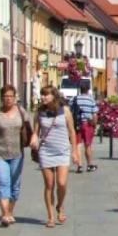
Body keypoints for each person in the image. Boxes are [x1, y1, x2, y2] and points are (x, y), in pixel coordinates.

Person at [0, 84, 36, 227]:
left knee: (15, 186)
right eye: (5, 96)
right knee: (3, 183)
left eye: (11, 96)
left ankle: (10, 211)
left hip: (17, 154)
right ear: (1, 98)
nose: (8, 99)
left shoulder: (21, 112)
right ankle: (4, 214)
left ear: (15, 97)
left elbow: (30, 129)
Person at [34, 85, 80, 227]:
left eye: (46, 95)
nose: (43, 97)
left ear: (53, 96)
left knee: (61, 183)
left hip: (63, 150)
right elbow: (36, 131)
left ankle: (60, 205)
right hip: (46, 151)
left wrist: (75, 152)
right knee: (49, 184)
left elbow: (72, 131)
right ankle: (51, 216)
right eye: (42, 95)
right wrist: (34, 138)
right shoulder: (39, 112)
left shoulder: (65, 111)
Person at [71, 80, 99, 173]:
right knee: (88, 145)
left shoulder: (74, 99)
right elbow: (95, 114)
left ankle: (79, 166)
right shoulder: (91, 99)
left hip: (77, 124)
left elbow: (70, 111)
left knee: (78, 144)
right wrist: (95, 125)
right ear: (88, 89)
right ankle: (90, 165)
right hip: (87, 124)